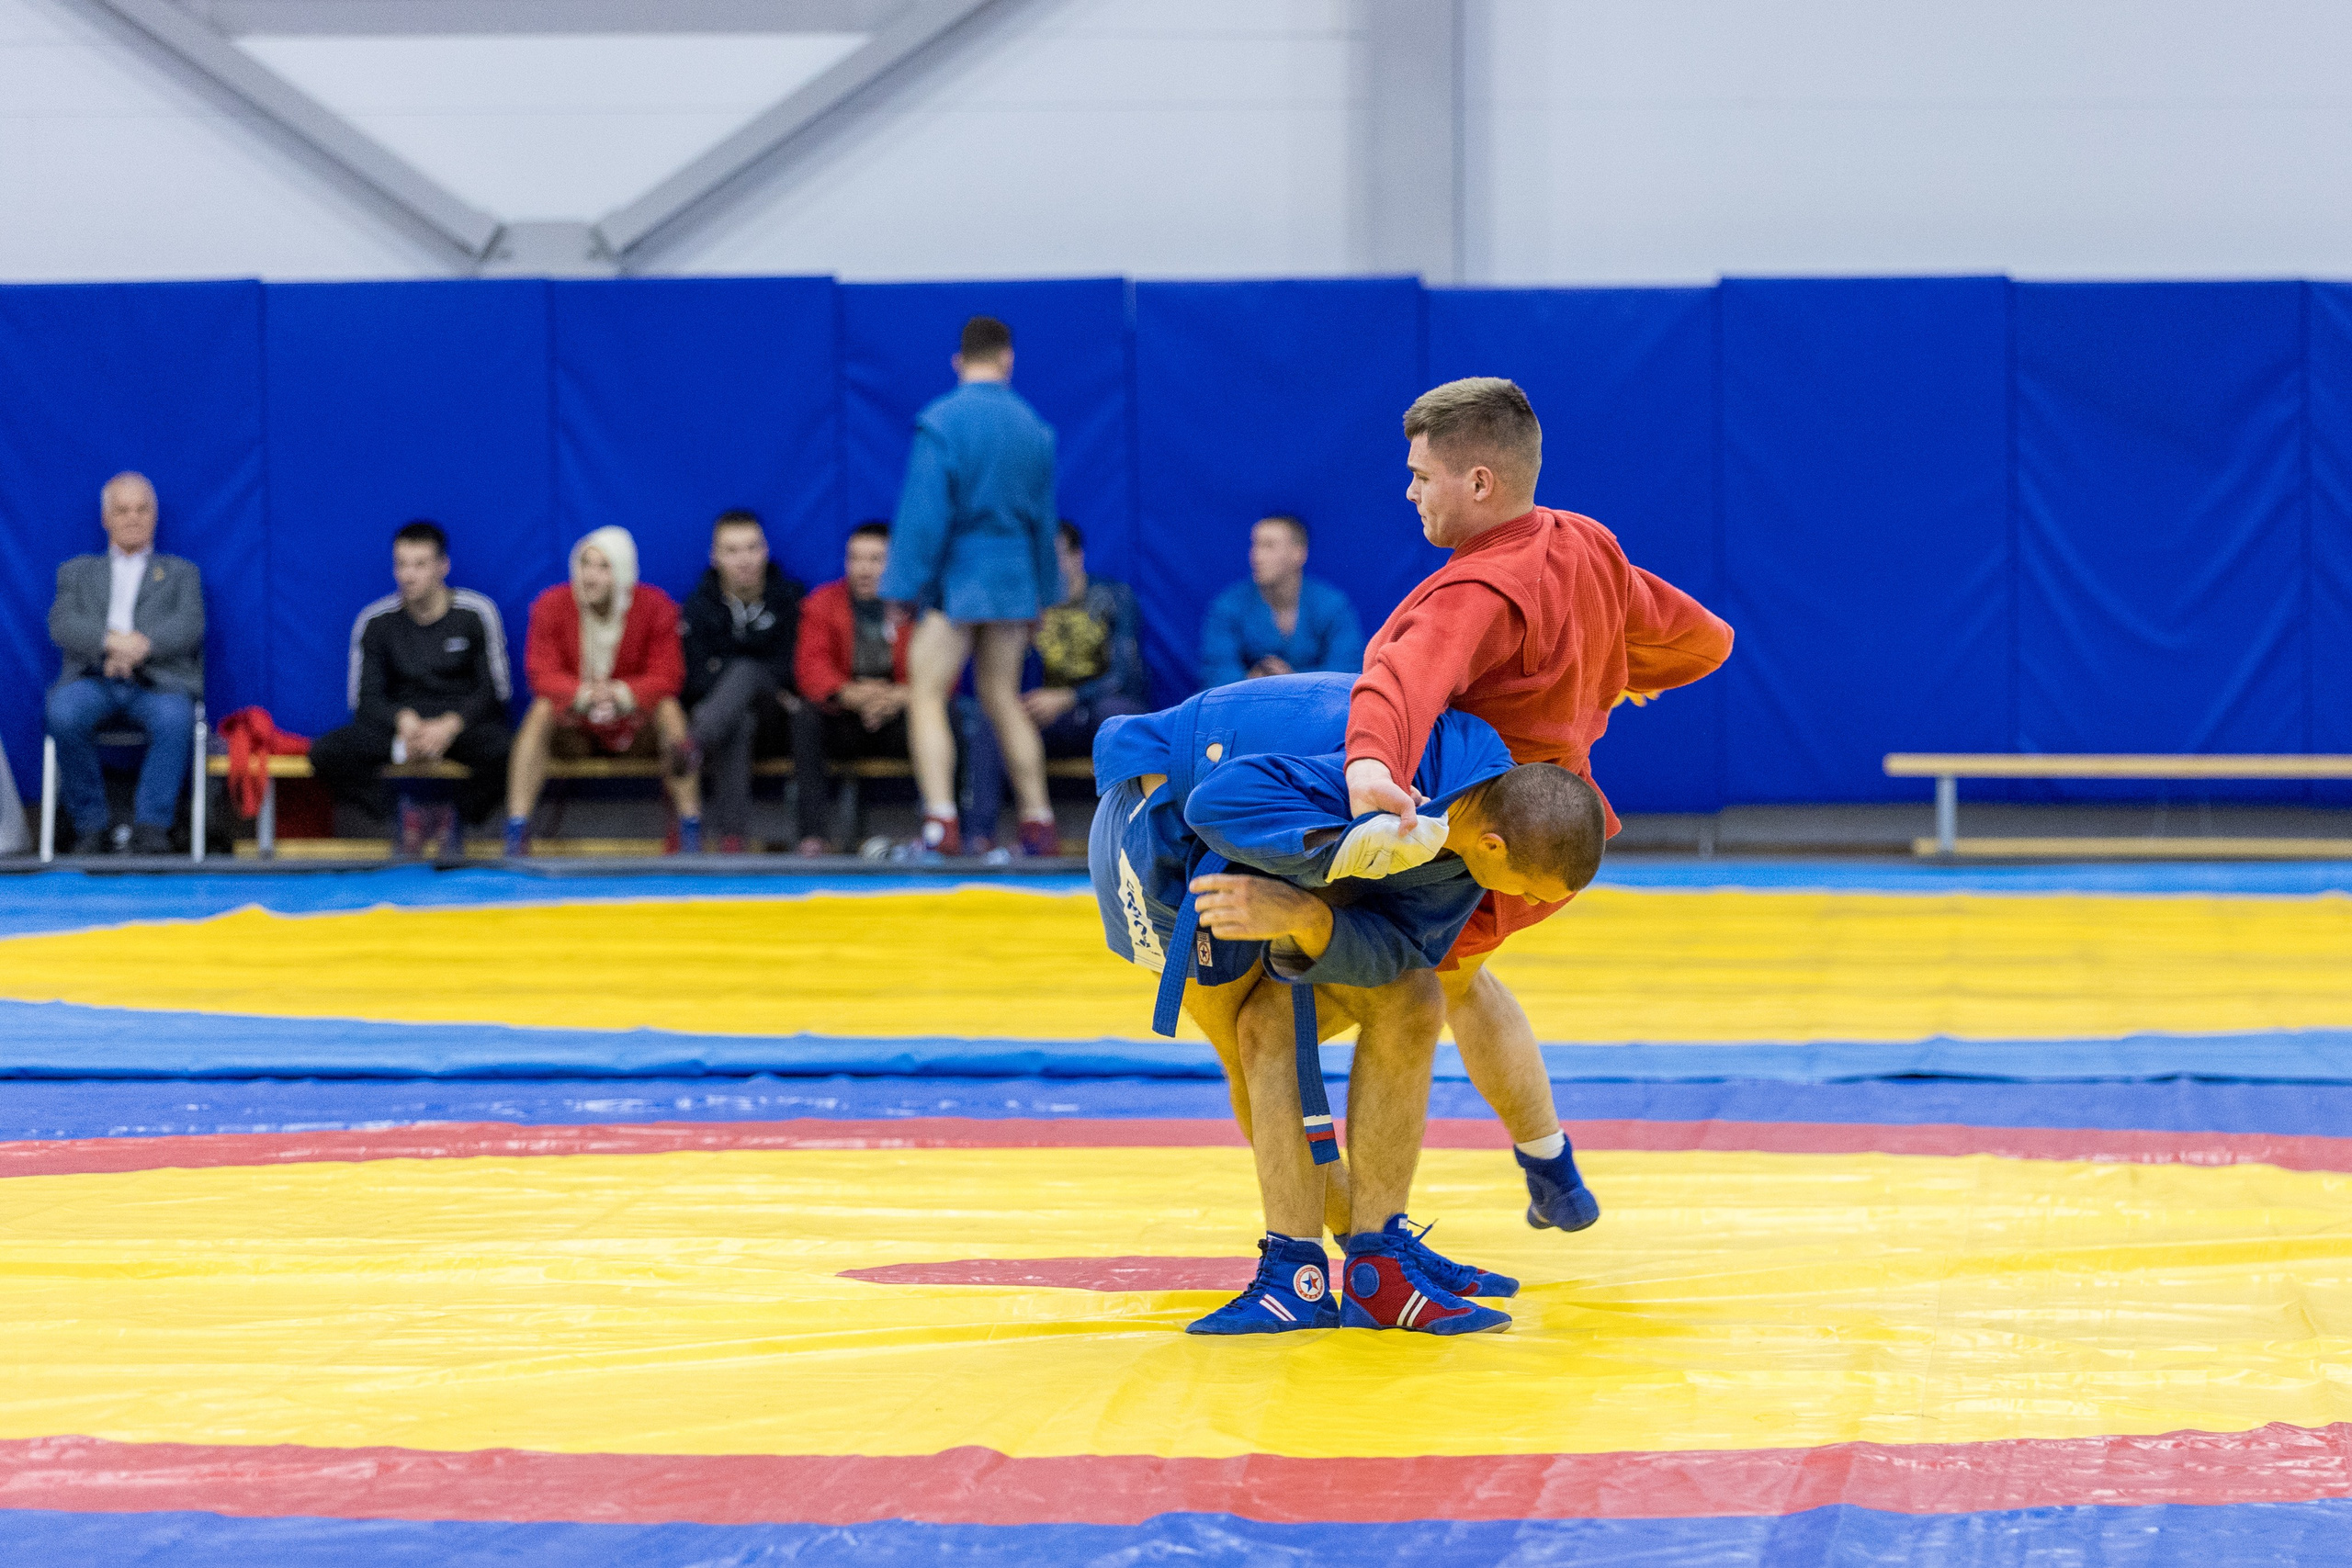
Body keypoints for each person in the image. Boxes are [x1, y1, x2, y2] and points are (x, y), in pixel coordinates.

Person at [1091, 671, 1608, 1337]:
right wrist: (1334, 855)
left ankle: (1373, 1259)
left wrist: (1309, 915)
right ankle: (1299, 1270)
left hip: (1271, 845)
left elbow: (1395, 947)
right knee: (1252, 1038)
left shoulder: (1467, 828)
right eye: (1533, 891)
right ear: (1494, 846)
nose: (1530, 908)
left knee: (1413, 994)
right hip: (1161, 820)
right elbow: (1219, 803)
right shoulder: (1396, 777)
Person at [1342, 377, 1735, 1234]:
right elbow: (1706, 640)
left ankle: (1366, 1236)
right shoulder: (1585, 542)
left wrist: (1371, 764)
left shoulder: (1476, 591)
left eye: (1420, 475)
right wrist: (1622, 671)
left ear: (1478, 483)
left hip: (1484, 848)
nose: (1407, 491)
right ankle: (1552, 1169)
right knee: (1463, 983)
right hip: (1558, 839)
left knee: (1362, 997)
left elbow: (1399, 680)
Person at [877, 314, 1059, 858]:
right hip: (1016, 578)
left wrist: (901, 589)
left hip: (961, 577)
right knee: (1003, 697)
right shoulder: (1034, 426)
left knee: (926, 694)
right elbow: (1045, 522)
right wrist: (1044, 595)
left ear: (958, 362)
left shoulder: (941, 421)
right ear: (1008, 359)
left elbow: (923, 517)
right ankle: (1039, 822)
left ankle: (940, 823)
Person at [310, 519, 513, 850]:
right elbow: (364, 700)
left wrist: (450, 725)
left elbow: (496, 692)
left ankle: (455, 816)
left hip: (459, 727)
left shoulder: (476, 613)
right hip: (402, 729)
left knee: (513, 751)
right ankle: (406, 816)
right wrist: (402, 723)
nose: (408, 575)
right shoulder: (375, 621)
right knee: (327, 753)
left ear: (443, 567)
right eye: (401, 564)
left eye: (420, 564)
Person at [956, 520, 1148, 854]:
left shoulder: (1113, 597)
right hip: (1044, 715)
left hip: (1093, 709)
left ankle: (1141, 834)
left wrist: (1070, 697)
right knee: (994, 719)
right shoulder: (1025, 603)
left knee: (1120, 715)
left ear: (1078, 557)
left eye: (1056, 555)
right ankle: (978, 837)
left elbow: (1125, 676)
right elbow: (999, 680)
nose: (1049, 566)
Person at [506, 525, 698, 855]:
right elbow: (541, 674)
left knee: (670, 711)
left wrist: (620, 694)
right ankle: (516, 832)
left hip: (636, 727)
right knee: (539, 710)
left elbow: (668, 676)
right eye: (584, 564)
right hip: (576, 727)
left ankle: (690, 828)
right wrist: (584, 695)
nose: (590, 577)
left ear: (623, 572)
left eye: (603, 567)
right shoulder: (551, 605)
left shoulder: (656, 607)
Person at [44, 471, 203, 855]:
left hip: (158, 681)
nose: (133, 517)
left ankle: (152, 829)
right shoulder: (76, 572)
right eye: (122, 510)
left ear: (155, 515)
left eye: (142, 509)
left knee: (175, 718)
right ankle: (90, 827)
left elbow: (190, 626)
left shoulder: (182, 573)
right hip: (94, 678)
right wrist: (109, 645)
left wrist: (140, 649)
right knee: (63, 713)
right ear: (106, 518)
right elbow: (62, 623)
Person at [681, 509, 804, 853]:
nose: (744, 560)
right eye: (732, 551)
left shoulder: (790, 600)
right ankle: (733, 838)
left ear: (765, 551)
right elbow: (692, 678)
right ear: (715, 557)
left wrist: (735, 669)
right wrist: (735, 681)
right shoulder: (699, 606)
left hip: (779, 716)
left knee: (747, 671)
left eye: (752, 548)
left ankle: (692, 744)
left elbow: (796, 668)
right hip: (727, 719)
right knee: (739, 719)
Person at [792, 522, 910, 855]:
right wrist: (854, 696)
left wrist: (898, 697)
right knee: (805, 717)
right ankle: (813, 835)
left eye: (876, 559)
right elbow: (810, 669)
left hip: (899, 717)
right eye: (855, 559)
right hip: (845, 716)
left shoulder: (918, 605)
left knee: (950, 717)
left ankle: (947, 829)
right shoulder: (822, 603)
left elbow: (944, 675)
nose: (864, 569)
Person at [1197, 514, 1363, 689]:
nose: (1256, 557)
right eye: (1255, 545)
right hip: (1247, 710)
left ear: (1299, 553)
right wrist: (1253, 683)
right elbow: (1215, 675)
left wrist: (1291, 681)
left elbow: (1347, 674)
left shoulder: (1333, 606)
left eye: (1269, 546)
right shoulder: (1227, 606)